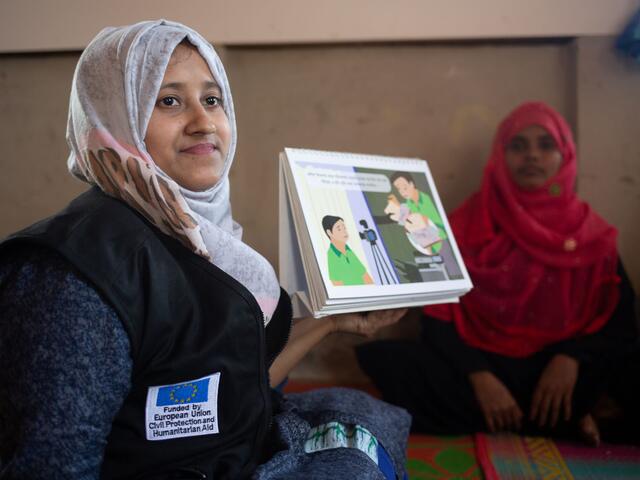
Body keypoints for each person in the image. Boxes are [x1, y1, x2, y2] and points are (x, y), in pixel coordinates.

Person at [0, 20, 411, 479]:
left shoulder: (199, 233)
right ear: (114, 117)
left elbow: (229, 389)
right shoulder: (71, 278)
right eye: (169, 101)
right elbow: (53, 465)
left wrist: (329, 322)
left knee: (358, 413)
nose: (203, 123)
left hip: (219, 455)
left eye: (212, 100)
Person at [357, 102, 637, 445]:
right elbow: (437, 319)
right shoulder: (466, 224)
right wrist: (481, 377)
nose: (531, 155)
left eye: (545, 144)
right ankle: (565, 420)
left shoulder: (591, 236)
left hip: (561, 371)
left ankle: (549, 413)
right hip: (485, 363)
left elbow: (620, 325)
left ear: (565, 155)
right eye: (517, 146)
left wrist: (572, 357)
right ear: (499, 157)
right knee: (392, 361)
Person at [322, 215, 374, 286]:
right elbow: (337, 284)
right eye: (339, 229)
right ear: (329, 233)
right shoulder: (332, 255)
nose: (344, 232)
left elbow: (364, 275)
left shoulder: (348, 250)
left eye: (344, 228)